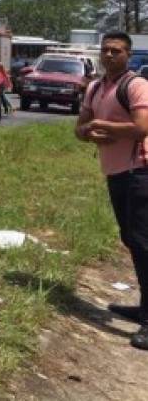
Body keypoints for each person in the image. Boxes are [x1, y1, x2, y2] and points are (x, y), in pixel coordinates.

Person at [76, 31, 148, 350]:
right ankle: (144, 307)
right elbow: (80, 128)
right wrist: (90, 133)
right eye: (105, 50)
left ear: (128, 55)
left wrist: (102, 128)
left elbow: (142, 127)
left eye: (116, 51)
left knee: (144, 243)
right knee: (132, 240)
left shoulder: (135, 85)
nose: (109, 55)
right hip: (117, 173)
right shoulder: (94, 87)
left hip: (140, 173)